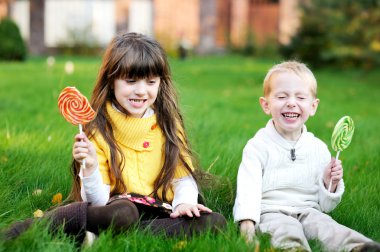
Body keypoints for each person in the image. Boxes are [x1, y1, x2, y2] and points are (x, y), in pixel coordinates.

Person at [4, 32, 226, 241]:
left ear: (160, 82)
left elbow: (182, 177)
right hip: (116, 208)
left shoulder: (168, 124)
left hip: (159, 212)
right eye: (131, 81)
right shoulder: (98, 129)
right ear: (111, 81)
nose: (141, 91)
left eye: (150, 82)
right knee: (124, 214)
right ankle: (43, 224)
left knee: (215, 222)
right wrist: (89, 167)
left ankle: (111, 233)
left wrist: (184, 204)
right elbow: (97, 201)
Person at [233, 61, 380, 252]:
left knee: (327, 227)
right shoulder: (258, 146)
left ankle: (358, 247)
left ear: (313, 106)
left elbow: (326, 206)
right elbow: (247, 189)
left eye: (300, 97)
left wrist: (331, 183)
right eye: (282, 96)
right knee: (285, 230)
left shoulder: (318, 149)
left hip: (309, 210)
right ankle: (294, 248)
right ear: (266, 105)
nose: (291, 102)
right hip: (271, 211)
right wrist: (247, 225)